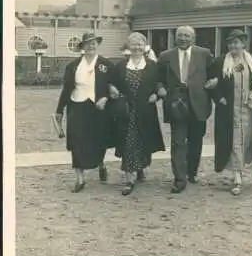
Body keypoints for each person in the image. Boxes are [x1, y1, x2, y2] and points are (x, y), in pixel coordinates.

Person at [211, 29, 252, 196]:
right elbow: (211, 84)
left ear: (243, 44)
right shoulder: (220, 63)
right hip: (229, 111)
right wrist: (219, 99)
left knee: (246, 139)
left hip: (249, 109)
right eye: (231, 43)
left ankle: (239, 169)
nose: (234, 46)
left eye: (237, 42)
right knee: (234, 141)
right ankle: (237, 177)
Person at [157, 26, 217, 194]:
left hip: (198, 102)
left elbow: (213, 73)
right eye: (180, 35)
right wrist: (160, 88)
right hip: (176, 103)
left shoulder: (204, 54)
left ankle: (191, 172)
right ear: (176, 38)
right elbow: (158, 77)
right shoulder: (166, 56)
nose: (183, 38)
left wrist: (214, 81)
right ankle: (179, 179)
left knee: (196, 140)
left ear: (193, 37)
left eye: (187, 36)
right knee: (178, 141)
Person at [54, 32, 115, 193]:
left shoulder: (106, 65)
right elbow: (67, 89)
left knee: (99, 139)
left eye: (94, 42)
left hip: (98, 107)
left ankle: (101, 163)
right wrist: (59, 110)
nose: (91, 45)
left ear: (97, 44)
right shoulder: (73, 66)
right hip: (77, 106)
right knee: (77, 141)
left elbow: (116, 88)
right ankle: (79, 179)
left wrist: (106, 98)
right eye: (87, 43)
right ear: (82, 46)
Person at [109, 32, 165, 196]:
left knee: (142, 140)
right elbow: (112, 83)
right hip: (126, 110)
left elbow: (159, 83)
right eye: (133, 44)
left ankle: (139, 167)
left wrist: (157, 94)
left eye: (140, 44)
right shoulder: (120, 66)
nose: (137, 47)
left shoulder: (153, 66)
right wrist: (112, 89)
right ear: (128, 47)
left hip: (145, 109)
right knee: (128, 141)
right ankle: (129, 178)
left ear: (145, 47)